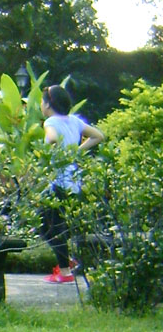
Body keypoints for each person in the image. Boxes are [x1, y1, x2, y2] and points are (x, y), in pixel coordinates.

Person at [40, 84, 103, 283]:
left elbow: (50, 139)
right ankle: (67, 263)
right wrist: (76, 151)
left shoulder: (50, 121)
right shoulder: (74, 121)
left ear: (49, 104)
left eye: (43, 101)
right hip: (73, 182)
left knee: (46, 227)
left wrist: (50, 153)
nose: (41, 105)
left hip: (57, 182)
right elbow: (99, 136)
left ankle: (65, 271)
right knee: (56, 226)